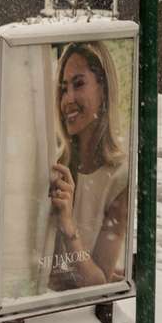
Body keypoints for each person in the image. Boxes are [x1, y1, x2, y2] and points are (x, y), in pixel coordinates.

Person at [48, 42, 129, 290]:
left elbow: (96, 285)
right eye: (63, 89)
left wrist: (68, 225)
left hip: (77, 318)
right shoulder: (53, 165)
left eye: (79, 84)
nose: (67, 99)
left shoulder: (119, 178)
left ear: (103, 89)